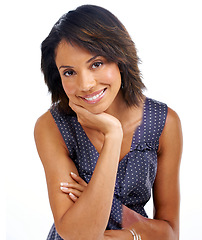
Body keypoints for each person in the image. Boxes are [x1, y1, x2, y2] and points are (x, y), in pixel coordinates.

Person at [34, 4, 183, 240]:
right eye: (69, 72)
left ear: (120, 59)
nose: (85, 84)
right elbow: (78, 233)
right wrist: (113, 134)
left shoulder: (164, 122)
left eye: (96, 64)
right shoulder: (52, 126)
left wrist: (126, 232)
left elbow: (170, 234)